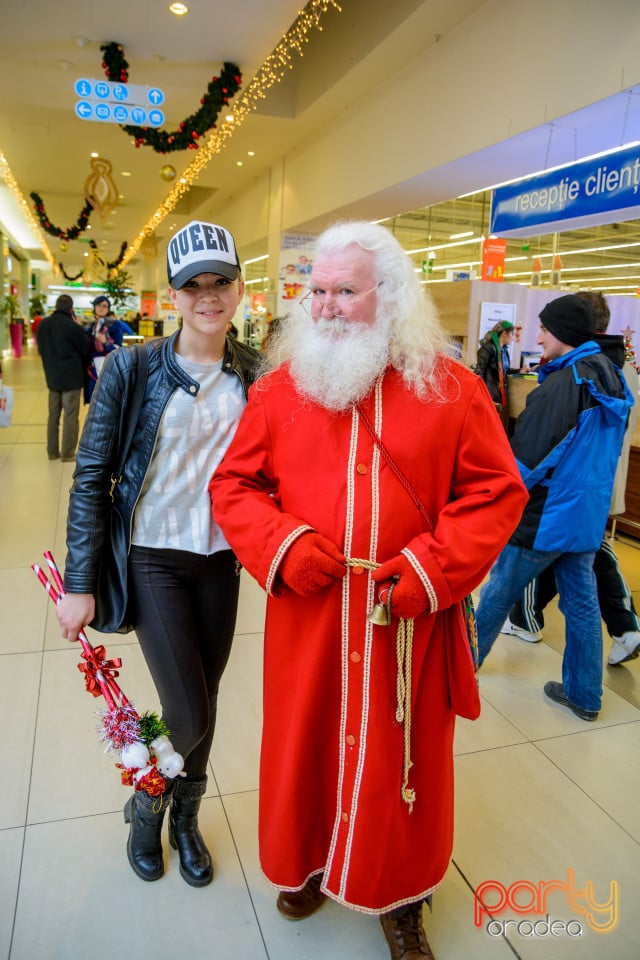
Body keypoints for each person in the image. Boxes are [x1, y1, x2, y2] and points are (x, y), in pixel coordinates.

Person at [210, 221, 527, 960]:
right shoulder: (280, 389)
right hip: (312, 620)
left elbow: (496, 493)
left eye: (343, 291)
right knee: (308, 746)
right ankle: (313, 862)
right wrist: (282, 546)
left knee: (403, 759)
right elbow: (234, 485)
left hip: (407, 624)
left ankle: (402, 894)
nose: (324, 306)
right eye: (315, 290)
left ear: (386, 295)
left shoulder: (454, 390)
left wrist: (430, 569)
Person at [56, 220, 260, 887]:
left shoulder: (256, 372)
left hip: (221, 561)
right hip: (153, 557)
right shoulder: (132, 367)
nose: (209, 296)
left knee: (207, 697)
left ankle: (186, 820)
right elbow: (92, 473)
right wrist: (78, 581)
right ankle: (148, 806)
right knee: (190, 710)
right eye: (193, 285)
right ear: (172, 295)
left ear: (238, 287)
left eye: (220, 281)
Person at [475, 294, 635, 721]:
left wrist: (489, 499)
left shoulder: (566, 384)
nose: (539, 335)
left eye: (545, 328)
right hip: (586, 514)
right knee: (582, 604)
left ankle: (461, 665)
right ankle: (584, 694)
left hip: (546, 515)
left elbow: (526, 460)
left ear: (564, 332)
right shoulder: (612, 377)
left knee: (497, 591)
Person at [503, 291, 640, 666]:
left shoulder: (577, 375)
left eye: (546, 328)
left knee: (507, 584)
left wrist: (506, 492)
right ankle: (589, 682)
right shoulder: (613, 368)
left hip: (562, 498)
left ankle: (516, 626)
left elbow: (541, 447)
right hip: (591, 493)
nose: (539, 338)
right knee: (582, 586)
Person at [36, 293, 92, 461]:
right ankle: (67, 453)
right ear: (71, 309)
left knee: (53, 415)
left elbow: (40, 349)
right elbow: (86, 345)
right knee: (70, 415)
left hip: (52, 377)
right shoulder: (72, 326)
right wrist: (80, 326)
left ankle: (52, 452)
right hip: (71, 378)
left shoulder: (44, 325)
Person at [473, 319, 515, 429]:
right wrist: (481, 394)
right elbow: (479, 371)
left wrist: (520, 371)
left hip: (500, 394)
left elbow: (506, 371)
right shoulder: (488, 348)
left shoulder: (504, 351)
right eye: (511, 334)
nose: (512, 337)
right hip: (490, 393)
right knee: (487, 425)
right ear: (504, 333)